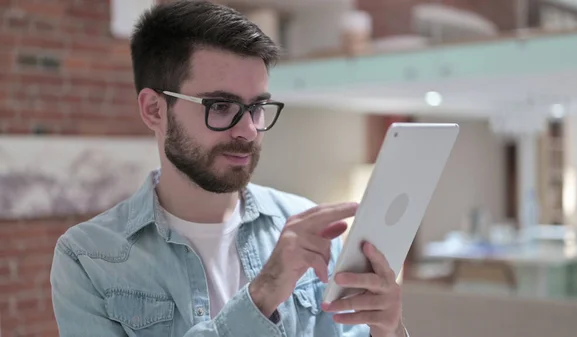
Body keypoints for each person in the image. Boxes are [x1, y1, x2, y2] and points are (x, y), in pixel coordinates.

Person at [50, 1, 407, 336]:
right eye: (220, 106)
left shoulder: (307, 224)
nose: (248, 130)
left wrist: (386, 330)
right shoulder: (88, 257)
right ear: (155, 110)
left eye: (257, 107)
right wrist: (262, 295)